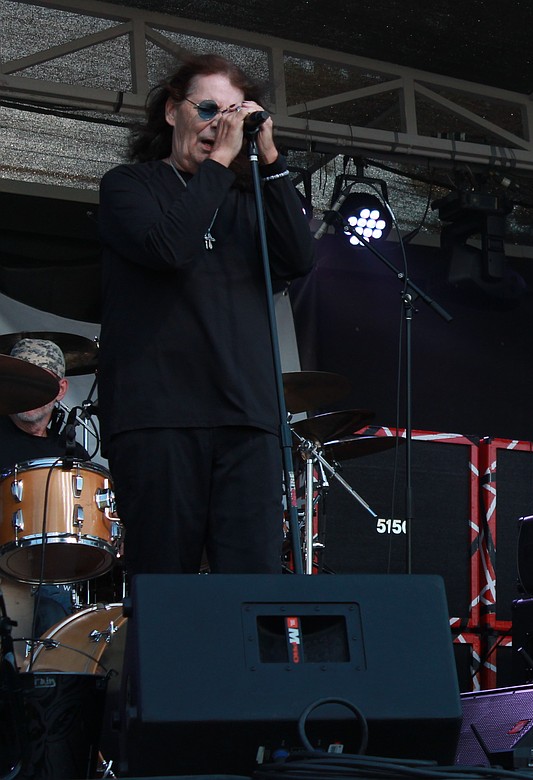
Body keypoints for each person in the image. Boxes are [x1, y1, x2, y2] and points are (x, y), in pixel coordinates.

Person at [97, 54, 314, 576]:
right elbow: (170, 247)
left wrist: (270, 157)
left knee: (253, 587)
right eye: (209, 108)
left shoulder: (249, 196)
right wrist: (221, 163)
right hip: (159, 419)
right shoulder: (128, 185)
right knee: (165, 589)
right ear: (173, 112)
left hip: (247, 419)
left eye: (234, 113)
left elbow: (299, 260)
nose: (221, 124)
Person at [0, 338, 76, 642]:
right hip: (5, 565)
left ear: (60, 389)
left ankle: (58, 681)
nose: (30, 392)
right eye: (22, 382)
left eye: (40, 383)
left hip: (55, 573)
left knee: (56, 599)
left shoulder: (73, 454)